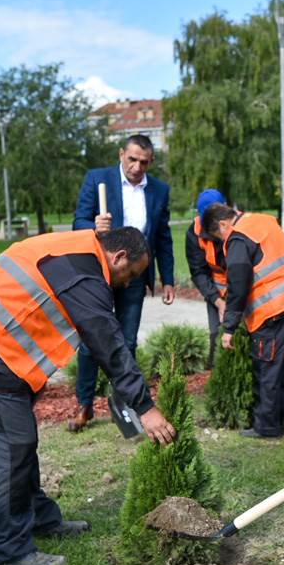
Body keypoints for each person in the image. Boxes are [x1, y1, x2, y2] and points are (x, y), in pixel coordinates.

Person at [0, 227, 175, 565]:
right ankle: (9, 552)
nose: (127, 283)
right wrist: (145, 407)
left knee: (20, 444)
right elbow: (107, 342)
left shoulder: (77, 253)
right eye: (131, 274)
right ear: (119, 256)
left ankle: (39, 519)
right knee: (8, 452)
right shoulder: (83, 271)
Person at [68, 134, 175, 432]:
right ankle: (84, 404)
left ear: (150, 162)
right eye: (132, 159)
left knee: (126, 343)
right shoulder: (97, 179)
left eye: (144, 162)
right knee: (92, 341)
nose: (137, 166)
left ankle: (126, 404)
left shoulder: (159, 191)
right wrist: (93, 226)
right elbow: (78, 222)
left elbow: (163, 238)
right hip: (99, 273)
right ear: (121, 155)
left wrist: (167, 278)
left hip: (135, 277)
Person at [201, 202, 284, 439]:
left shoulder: (237, 237)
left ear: (223, 224)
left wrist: (229, 328)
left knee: (266, 367)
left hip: (274, 309)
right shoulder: (262, 220)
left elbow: (238, 284)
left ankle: (267, 427)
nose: (222, 241)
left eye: (218, 236)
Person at [185, 188, 229, 365]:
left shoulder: (240, 225)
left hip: (244, 286)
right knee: (215, 334)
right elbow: (198, 272)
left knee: (244, 331)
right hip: (215, 289)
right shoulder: (194, 233)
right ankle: (217, 372)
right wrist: (219, 303)